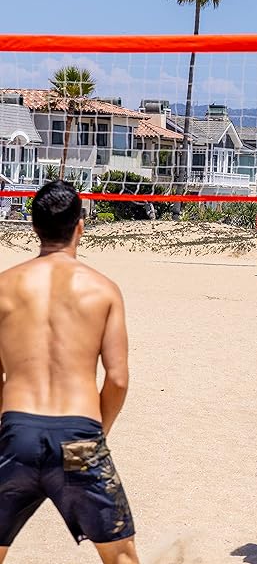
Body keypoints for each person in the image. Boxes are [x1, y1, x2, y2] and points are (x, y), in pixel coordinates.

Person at [0, 180, 138, 564]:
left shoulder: (4, 288)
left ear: (34, 227)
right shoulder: (103, 290)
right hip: (79, 436)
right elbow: (117, 379)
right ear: (80, 225)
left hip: (19, 433)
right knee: (120, 556)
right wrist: (97, 432)